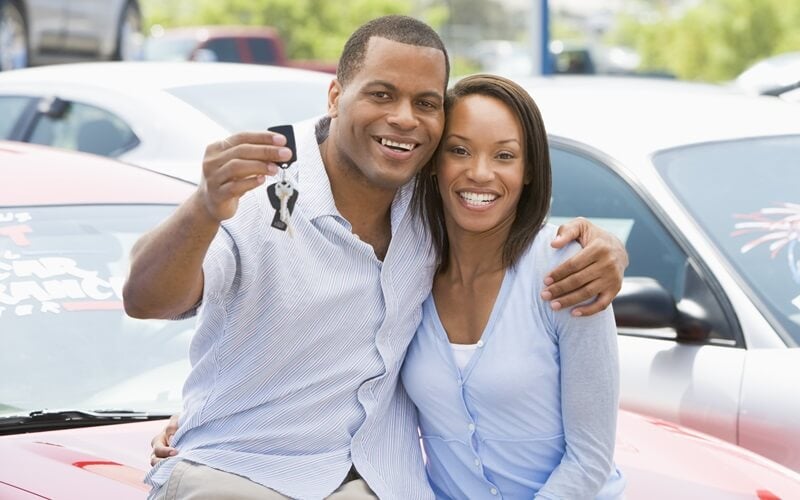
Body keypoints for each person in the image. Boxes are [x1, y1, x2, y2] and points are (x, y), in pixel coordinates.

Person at [129, 15, 628, 500]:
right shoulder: (261, 192)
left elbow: (498, 202)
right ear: (335, 96)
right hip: (241, 472)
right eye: (382, 93)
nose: (404, 118)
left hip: (376, 483)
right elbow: (146, 298)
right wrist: (202, 209)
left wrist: (609, 248)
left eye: (425, 103)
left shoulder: (430, 211)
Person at [401, 74, 625, 499]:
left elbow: (590, 458)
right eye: (460, 151)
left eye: (504, 155)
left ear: (528, 172)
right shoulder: (408, 271)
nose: (480, 173)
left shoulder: (566, 268)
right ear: (434, 161)